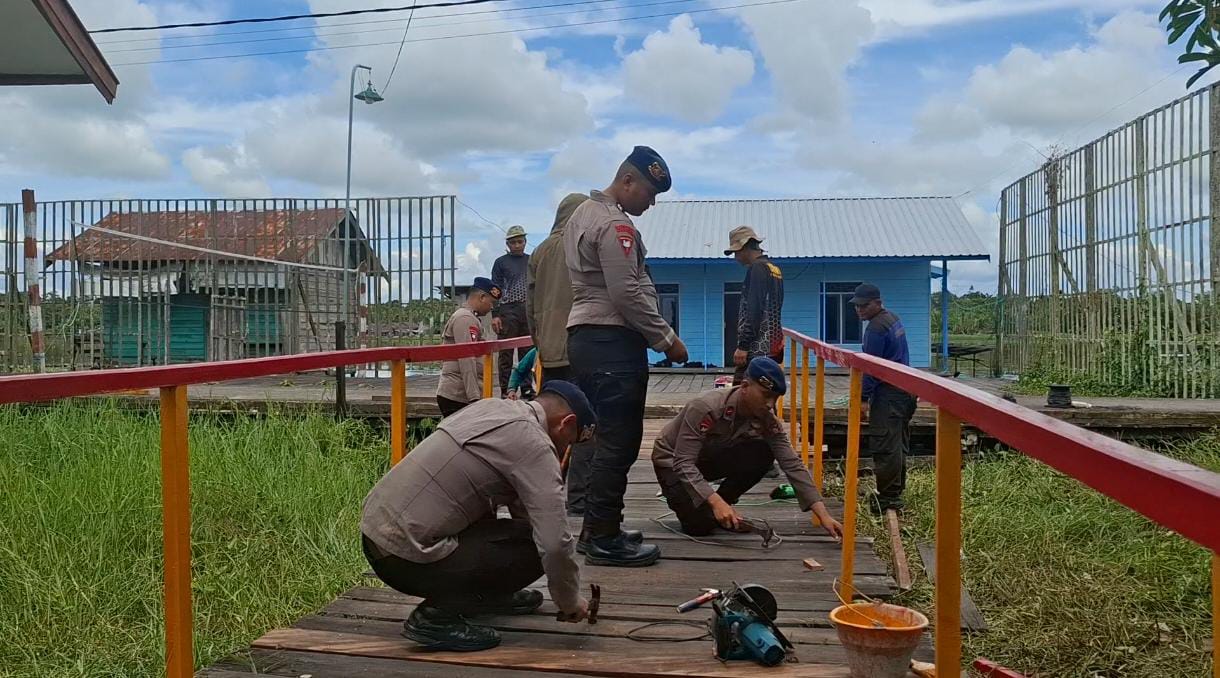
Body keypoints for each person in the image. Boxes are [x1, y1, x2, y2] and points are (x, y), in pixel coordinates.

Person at [361, 380, 597, 651]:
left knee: (525, 535)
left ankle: (489, 596)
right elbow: (554, 543)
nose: (565, 450)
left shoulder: (492, 408)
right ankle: (436, 617)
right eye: (569, 442)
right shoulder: (535, 444)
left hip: (377, 537)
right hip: (405, 556)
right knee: (535, 548)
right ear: (566, 423)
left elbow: (526, 513)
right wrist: (569, 601)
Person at [565, 145, 688, 567]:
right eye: (649, 194)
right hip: (611, 341)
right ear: (628, 180)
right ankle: (602, 537)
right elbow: (626, 292)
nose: (650, 204)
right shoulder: (615, 224)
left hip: (588, 337)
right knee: (620, 440)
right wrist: (667, 339)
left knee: (607, 438)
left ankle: (599, 527)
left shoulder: (581, 214)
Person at [652, 357, 844, 539]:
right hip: (672, 462)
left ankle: (723, 502)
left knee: (762, 453)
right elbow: (683, 462)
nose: (770, 404)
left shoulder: (766, 419)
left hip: (706, 459)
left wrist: (823, 515)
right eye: (766, 396)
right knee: (699, 526)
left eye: (775, 398)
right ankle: (714, 506)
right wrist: (715, 503)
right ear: (744, 387)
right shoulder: (705, 407)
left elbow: (792, 463)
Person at [527, 192, 591, 515]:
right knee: (582, 427)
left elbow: (529, 306)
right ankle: (577, 497)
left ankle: (544, 493)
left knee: (546, 428)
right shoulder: (582, 246)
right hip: (580, 350)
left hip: (549, 355)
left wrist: (539, 344)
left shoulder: (538, 253)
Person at [852, 283, 917, 514]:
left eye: (864, 305)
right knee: (897, 444)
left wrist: (862, 399)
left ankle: (889, 499)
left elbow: (871, 369)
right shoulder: (892, 318)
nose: (859, 310)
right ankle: (895, 493)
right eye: (856, 306)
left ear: (877, 303)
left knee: (886, 446)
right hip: (905, 391)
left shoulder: (875, 329)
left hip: (889, 395)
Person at [725, 226, 785, 385]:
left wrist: (743, 346)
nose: (736, 257)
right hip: (772, 346)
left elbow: (754, 309)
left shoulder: (757, 269)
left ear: (745, 247)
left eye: (736, 252)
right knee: (766, 394)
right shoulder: (774, 269)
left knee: (743, 394)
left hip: (756, 348)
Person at [436, 277, 500, 416]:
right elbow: (466, 358)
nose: (492, 307)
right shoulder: (465, 319)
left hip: (460, 394)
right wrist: (474, 397)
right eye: (491, 302)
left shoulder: (470, 317)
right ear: (482, 297)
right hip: (458, 395)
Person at [492, 225, 530, 397]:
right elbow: (495, 290)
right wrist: (496, 314)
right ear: (508, 244)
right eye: (513, 242)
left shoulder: (531, 261)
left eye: (519, 241)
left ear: (525, 242)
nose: (516, 245)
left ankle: (527, 387)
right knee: (506, 352)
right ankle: (506, 389)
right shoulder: (501, 263)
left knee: (527, 351)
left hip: (527, 309)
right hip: (508, 309)